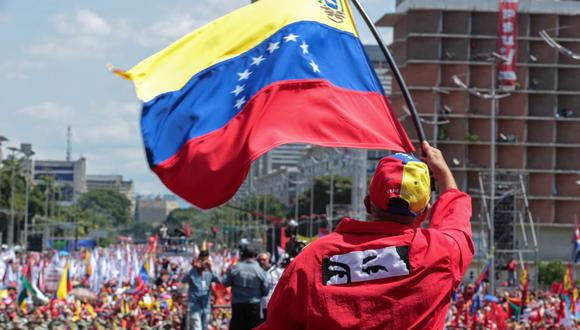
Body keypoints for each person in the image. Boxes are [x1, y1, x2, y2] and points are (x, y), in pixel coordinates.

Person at [258, 141, 474, 329]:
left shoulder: (313, 259)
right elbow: (455, 218)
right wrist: (445, 175)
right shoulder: (441, 254)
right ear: (424, 213)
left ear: (367, 203)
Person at [223, 245, 268, 330]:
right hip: (254, 307)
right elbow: (265, 291)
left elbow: (225, 283)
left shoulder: (236, 268)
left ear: (242, 255)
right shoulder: (259, 270)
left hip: (238, 307)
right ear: (255, 255)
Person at [182, 255, 220, 330]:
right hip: (194, 306)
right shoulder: (192, 272)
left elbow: (219, 281)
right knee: (197, 328)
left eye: (204, 261)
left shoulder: (209, 273)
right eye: (200, 261)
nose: (202, 263)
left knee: (205, 327)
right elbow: (184, 281)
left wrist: (211, 268)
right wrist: (193, 267)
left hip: (206, 306)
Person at [257, 252, 284, 323]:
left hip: (274, 304)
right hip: (262, 306)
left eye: (264, 260)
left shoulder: (277, 271)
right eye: (260, 260)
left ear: (269, 260)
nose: (261, 262)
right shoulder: (257, 272)